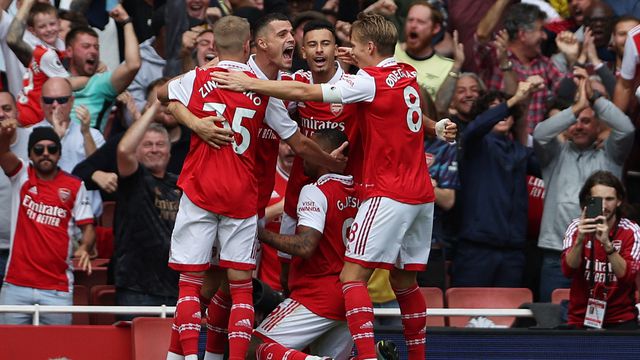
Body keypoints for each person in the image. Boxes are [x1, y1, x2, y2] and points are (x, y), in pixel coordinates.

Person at [213, 12, 456, 360]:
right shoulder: (407, 74)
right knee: (405, 282)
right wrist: (435, 128)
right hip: (417, 193)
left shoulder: (363, 82)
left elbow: (303, 90)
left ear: (368, 47)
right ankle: (413, 355)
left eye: (350, 45)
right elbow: (403, 110)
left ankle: (366, 357)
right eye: (313, 43)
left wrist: (249, 83)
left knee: (351, 277)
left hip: (383, 190)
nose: (343, 51)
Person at [156, 16, 345, 360]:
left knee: (216, 288)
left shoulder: (279, 83)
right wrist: (196, 123)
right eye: (283, 34)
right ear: (255, 45)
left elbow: (165, 94)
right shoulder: (254, 86)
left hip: (235, 197)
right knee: (217, 287)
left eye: (293, 34)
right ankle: (185, 354)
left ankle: (198, 356)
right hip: (239, 195)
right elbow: (299, 141)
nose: (293, 39)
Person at [251, 129, 356, 360]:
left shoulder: (315, 190)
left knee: (251, 348)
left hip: (317, 295)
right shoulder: (358, 191)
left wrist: (258, 233)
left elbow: (306, 246)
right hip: (349, 297)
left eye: (309, 150)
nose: (302, 156)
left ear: (325, 155)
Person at [534, 70, 635, 302]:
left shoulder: (611, 155)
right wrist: (576, 108)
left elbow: (626, 129)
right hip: (556, 252)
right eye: (575, 122)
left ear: (599, 125)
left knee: (597, 326)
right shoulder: (554, 155)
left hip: (600, 253)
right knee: (552, 324)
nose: (578, 126)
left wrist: (595, 100)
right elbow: (539, 134)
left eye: (586, 121)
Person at [0, 125, 94, 325]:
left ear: (59, 153)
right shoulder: (22, 174)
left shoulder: (75, 185)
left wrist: (85, 247)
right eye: (38, 149)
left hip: (57, 289)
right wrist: (5, 137)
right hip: (17, 285)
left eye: (52, 149)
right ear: (30, 154)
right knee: (11, 353)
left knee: (55, 352)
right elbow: (3, 152)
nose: (45, 154)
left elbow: (88, 228)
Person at [452, 79, 543, 287]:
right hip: (476, 249)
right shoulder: (474, 143)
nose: (503, 115)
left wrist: (523, 106)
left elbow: (547, 167)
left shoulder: (520, 152)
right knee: (468, 316)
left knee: (508, 316)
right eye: (496, 110)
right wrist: (513, 101)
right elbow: (475, 128)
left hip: (513, 251)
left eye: (507, 112)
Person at [112, 98, 180, 318]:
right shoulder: (134, 178)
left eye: (160, 144)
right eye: (147, 144)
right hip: (136, 289)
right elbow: (123, 150)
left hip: (176, 288)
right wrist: (154, 109)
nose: (154, 150)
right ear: (138, 152)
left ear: (169, 153)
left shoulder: (182, 184)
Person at [562, 170, 640, 329]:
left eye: (609, 199)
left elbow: (627, 277)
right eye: (597, 200)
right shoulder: (575, 228)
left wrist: (607, 245)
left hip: (620, 319)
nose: (603, 206)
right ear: (588, 201)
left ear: (619, 201)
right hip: (580, 318)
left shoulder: (631, 231)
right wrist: (580, 240)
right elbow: (567, 271)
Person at [66, 4, 141, 131]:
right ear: (69, 51)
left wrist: (126, 22)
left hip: (88, 147)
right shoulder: (54, 75)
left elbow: (133, 65)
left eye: (96, 47)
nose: (93, 51)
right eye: (86, 46)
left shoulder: (101, 83)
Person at [0, 91, 30, 288]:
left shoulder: (37, 143)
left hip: (27, 251)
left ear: (18, 113)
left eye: (7, 109)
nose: (1, 115)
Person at [394, 1, 454, 98]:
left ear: (435, 28)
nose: (413, 25)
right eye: (410, 20)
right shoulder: (390, 51)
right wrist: (374, 10)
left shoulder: (448, 68)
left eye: (420, 22)